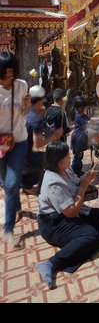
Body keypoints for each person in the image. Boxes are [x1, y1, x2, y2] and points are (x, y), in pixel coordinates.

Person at [37, 141, 99, 289]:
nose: (70, 158)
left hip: (68, 213)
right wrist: (83, 187)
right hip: (53, 224)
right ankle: (51, 263)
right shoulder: (53, 183)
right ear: (57, 161)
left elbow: (76, 184)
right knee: (90, 236)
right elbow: (71, 212)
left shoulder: (66, 170)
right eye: (67, 157)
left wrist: (85, 179)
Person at [0, 51, 31, 249]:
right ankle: (16, 205)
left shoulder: (22, 85)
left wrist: (27, 107)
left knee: (11, 184)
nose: (9, 78)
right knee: (5, 182)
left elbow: (25, 112)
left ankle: (8, 230)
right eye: (5, 74)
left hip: (18, 139)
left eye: (12, 73)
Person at [22, 85, 63, 195]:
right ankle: (35, 186)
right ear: (39, 101)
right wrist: (55, 136)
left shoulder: (24, 110)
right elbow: (38, 143)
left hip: (17, 152)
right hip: (25, 157)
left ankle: (26, 184)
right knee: (49, 159)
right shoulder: (35, 118)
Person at [70, 95, 99, 177]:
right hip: (78, 139)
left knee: (79, 156)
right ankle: (75, 173)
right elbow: (88, 124)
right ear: (80, 108)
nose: (86, 108)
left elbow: (91, 119)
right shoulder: (79, 116)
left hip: (79, 138)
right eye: (85, 107)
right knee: (77, 157)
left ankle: (78, 171)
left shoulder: (81, 114)